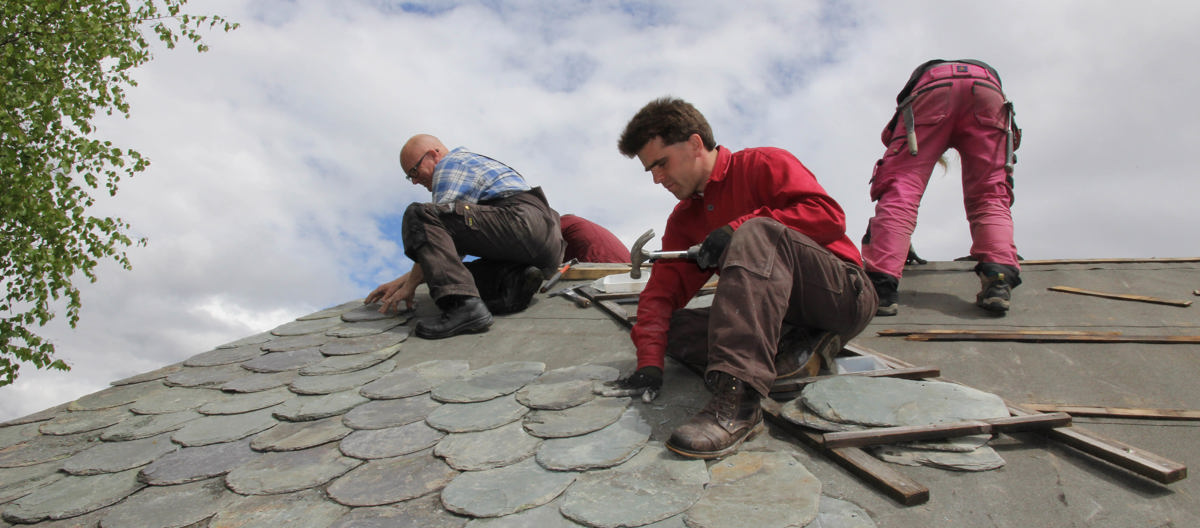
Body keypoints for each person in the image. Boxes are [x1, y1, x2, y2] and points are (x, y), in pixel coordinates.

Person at [602, 97, 877, 459]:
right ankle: (796, 346)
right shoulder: (684, 219)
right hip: (781, 313)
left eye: (661, 164)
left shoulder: (764, 163)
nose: (657, 179)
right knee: (671, 329)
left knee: (755, 232)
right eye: (650, 171)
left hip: (843, 294)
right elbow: (660, 294)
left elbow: (828, 216)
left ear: (695, 144)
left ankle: (739, 402)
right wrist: (649, 366)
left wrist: (737, 228)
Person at [861, 59, 1022, 316]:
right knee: (990, 193)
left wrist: (892, 248)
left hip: (932, 88)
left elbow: (892, 147)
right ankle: (998, 274)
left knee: (903, 187)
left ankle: (882, 287)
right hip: (988, 90)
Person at [366, 134, 565, 339]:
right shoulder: (472, 164)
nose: (415, 181)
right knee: (459, 275)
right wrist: (401, 281)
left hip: (522, 221)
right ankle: (512, 282)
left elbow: (434, 227)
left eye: (415, 171)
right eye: (410, 177)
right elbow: (445, 255)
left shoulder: (450, 164)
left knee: (419, 214)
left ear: (434, 155)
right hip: (547, 244)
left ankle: (463, 308)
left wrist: (409, 287)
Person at [559, 213, 630, 263]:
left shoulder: (564, 221)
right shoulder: (585, 225)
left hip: (600, 263)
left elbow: (549, 239)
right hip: (628, 267)